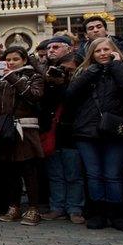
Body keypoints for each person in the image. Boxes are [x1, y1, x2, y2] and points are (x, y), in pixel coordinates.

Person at [66, 37, 123, 232]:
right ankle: (98, 212)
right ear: (92, 54)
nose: (102, 54)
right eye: (98, 51)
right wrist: (91, 72)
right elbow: (70, 95)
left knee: (113, 174)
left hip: (116, 130)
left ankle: (117, 213)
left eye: (106, 50)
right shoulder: (85, 72)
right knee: (94, 174)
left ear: (114, 51)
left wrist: (115, 66)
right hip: (87, 131)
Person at [0, 46, 45, 226]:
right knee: (10, 171)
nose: (10, 63)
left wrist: (12, 76)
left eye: (15, 60)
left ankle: (34, 208)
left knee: (29, 170)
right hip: (5, 129)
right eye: (8, 60)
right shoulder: (1, 79)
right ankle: (14, 206)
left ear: (24, 60)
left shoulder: (34, 76)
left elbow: (34, 97)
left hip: (25, 129)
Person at [40, 36, 84, 224]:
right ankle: (57, 207)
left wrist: (63, 82)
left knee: (73, 172)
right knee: (55, 172)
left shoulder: (79, 67)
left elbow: (76, 97)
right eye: (49, 47)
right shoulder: (44, 71)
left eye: (56, 47)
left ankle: (75, 208)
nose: (51, 50)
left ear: (68, 48)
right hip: (50, 127)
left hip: (70, 127)